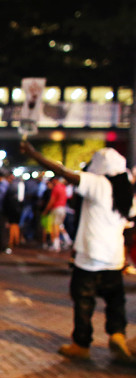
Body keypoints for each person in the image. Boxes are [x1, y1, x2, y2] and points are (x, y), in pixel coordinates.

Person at [21, 141, 134, 363]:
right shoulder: (125, 188)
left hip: (91, 254)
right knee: (115, 299)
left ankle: (81, 344)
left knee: (83, 298)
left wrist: (35, 153)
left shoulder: (98, 183)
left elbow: (64, 173)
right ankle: (117, 335)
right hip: (114, 257)